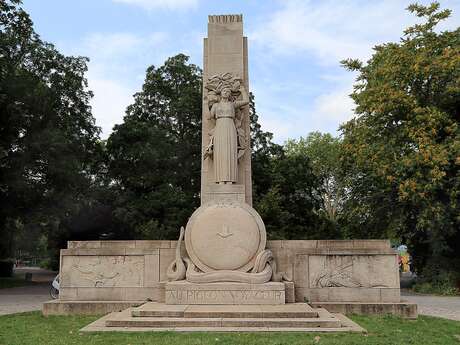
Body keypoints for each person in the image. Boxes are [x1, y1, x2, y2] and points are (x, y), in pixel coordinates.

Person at [208, 85, 249, 184]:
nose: (226, 92)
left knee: (230, 152)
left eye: (228, 91)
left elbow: (246, 101)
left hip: (230, 127)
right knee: (220, 153)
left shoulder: (232, 104)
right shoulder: (215, 105)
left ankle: (231, 179)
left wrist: (243, 90)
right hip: (220, 127)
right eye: (224, 91)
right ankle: (220, 180)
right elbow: (210, 117)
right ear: (220, 93)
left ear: (230, 94)